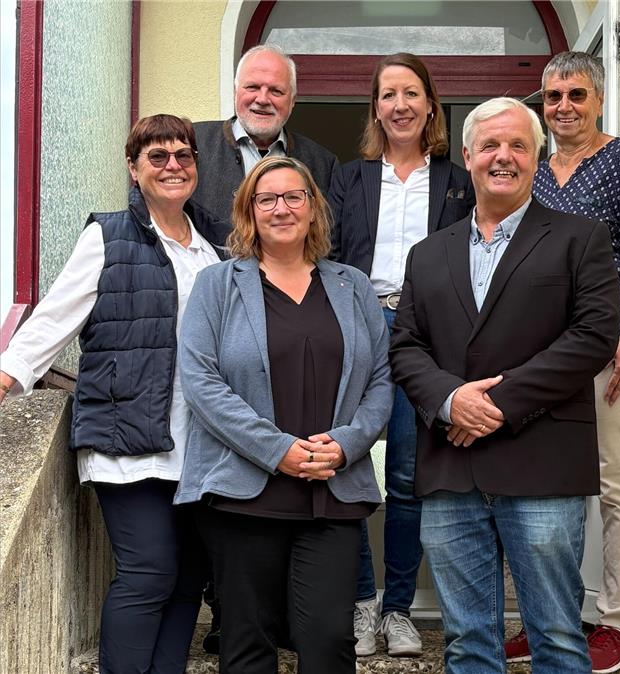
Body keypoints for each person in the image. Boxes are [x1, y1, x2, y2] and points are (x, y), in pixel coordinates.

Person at [389, 97, 620, 674]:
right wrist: (450, 401)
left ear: (537, 157)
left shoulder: (580, 238)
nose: (504, 156)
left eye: (519, 145)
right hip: (451, 467)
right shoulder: (426, 254)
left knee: (558, 639)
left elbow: (593, 337)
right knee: (467, 645)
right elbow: (405, 347)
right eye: (490, 145)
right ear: (466, 156)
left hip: (542, 463)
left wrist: (492, 403)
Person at [0, 114, 226, 673]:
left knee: (188, 578)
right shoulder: (108, 234)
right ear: (134, 167)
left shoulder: (215, 245)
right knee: (149, 570)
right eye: (158, 156)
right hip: (127, 438)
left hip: (198, 445)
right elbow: (54, 317)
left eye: (183, 155)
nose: (173, 165)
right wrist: (10, 375)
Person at [174, 156, 393, 674]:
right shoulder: (217, 285)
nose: (281, 208)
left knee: (329, 642)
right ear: (249, 212)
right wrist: (279, 452)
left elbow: (381, 380)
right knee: (247, 645)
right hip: (244, 494)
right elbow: (201, 382)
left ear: (314, 208)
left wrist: (345, 445)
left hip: (330, 491)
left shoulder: (353, 286)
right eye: (266, 199)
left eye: (294, 196)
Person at [503, 52, 620, 674]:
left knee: (614, 482)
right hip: (542, 358)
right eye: (553, 96)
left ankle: (619, 623)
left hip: (611, 351)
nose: (564, 107)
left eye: (576, 94)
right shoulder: (533, 171)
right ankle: (547, 617)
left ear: (598, 100)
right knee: (541, 486)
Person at [328, 51, 474, 658]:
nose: (400, 105)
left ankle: (398, 612)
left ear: (430, 106)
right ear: (376, 108)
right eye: (388, 95)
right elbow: (327, 252)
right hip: (361, 325)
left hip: (426, 332)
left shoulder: (457, 179)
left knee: (411, 477)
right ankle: (363, 605)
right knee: (352, 468)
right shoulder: (349, 177)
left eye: (411, 93)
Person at [192, 43, 338, 228]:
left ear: (292, 101)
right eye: (252, 87)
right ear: (235, 93)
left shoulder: (322, 164)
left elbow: (327, 238)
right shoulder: (193, 145)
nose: (262, 99)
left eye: (276, 91)